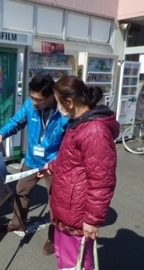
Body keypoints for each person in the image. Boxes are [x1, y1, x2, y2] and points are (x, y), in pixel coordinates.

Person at [39, 76, 119, 269]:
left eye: (58, 102)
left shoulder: (94, 131)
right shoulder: (79, 123)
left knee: (78, 263)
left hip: (77, 213)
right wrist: (51, 167)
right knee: (68, 260)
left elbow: (102, 181)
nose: (57, 107)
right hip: (68, 208)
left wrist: (92, 220)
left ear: (69, 102)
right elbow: (71, 161)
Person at [0, 74, 69, 255]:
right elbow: (16, 122)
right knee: (20, 191)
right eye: (31, 97)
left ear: (51, 97)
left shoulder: (63, 113)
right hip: (32, 160)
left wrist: (55, 164)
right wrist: (2, 134)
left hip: (54, 164)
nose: (33, 102)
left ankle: (53, 238)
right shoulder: (29, 106)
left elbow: (69, 144)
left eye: (38, 99)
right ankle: (17, 222)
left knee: (56, 203)